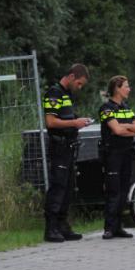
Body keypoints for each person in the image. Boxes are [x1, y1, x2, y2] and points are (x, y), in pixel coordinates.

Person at [43, 63, 91, 243]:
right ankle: (51, 228)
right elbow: (51, 122)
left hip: (69, 146)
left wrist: (78, 121)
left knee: (69, 186)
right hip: (59, 146)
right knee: (58, 186)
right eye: (79, 83)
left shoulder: (67, 95)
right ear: (71, 77)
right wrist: (74, 123)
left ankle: (63, 225)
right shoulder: (54, 94)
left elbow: (68, 118)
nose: (79, 87)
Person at [99, 75, 135, 239]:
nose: (129, 89)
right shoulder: (106, 108)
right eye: (126, 86)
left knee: (124, 190)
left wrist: (125, 126)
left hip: (127, 153)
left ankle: (119, 227)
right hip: (113, 155)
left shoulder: (126, 107)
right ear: (117, 88)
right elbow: (116, 131)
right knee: (113, 191)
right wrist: (129, 128)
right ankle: (109, 228)